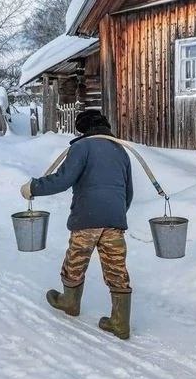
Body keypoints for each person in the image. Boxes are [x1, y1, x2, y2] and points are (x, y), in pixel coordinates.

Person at [20, 109, 133, 339]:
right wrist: (115, 214)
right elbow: (128, 191)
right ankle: (120, 323)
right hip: (115, 219)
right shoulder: (120, 150)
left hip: (87, 217)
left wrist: (33, 187)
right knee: (116, 268)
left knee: (76, 260)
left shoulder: (81, 147)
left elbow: (63, 179)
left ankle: (70, 302)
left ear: (84, 129)